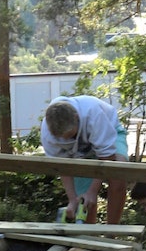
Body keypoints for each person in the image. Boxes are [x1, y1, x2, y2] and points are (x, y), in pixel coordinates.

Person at [40, 95, 129, 224]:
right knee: (84, 199)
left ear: (77, 117)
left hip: (110, 136)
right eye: (61, 138)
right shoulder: (47, 134)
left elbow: (107, 160)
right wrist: (73, 200)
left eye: (69, 135)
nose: (65, 140)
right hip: (79, 154)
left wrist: (92, 191)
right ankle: (88, 238)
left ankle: (112, 234)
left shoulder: (93, 114)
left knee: (118, 177)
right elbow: (63, 168)